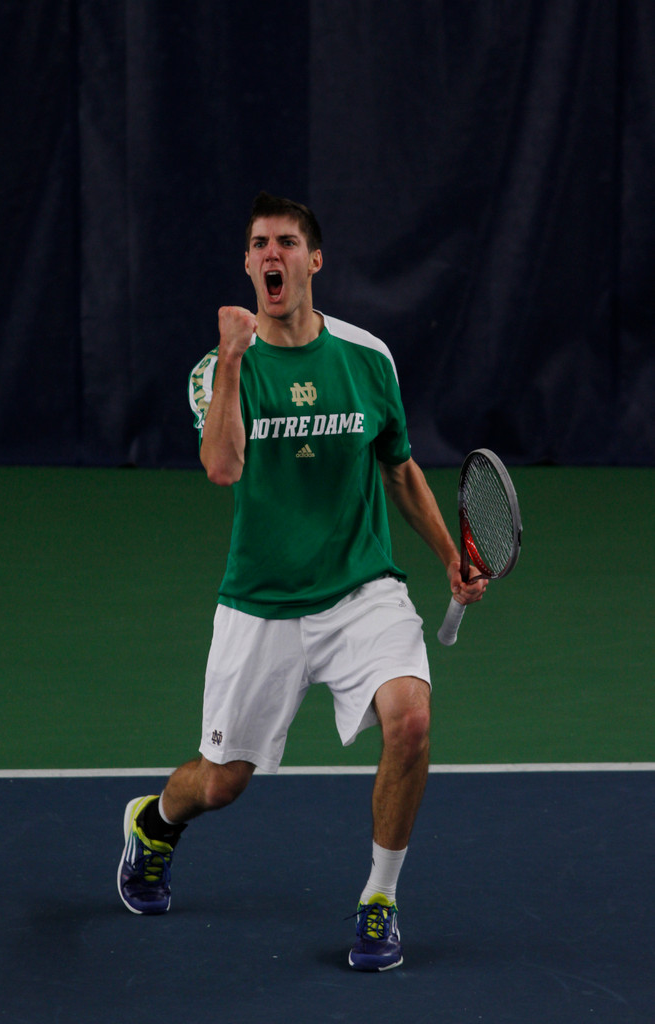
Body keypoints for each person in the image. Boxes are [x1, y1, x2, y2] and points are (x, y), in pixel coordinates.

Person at [117, 191, 487, 971]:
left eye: (286, 241)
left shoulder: (365, 357)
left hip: (363, 591)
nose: (272, 254)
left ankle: (379, 900)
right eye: (259, 244)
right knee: (220, 783)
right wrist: (229, 360)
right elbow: (221, 468)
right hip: (261, 603)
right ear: (248, 265)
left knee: (411, 720)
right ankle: (153, 823)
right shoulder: (218, 369)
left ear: (313, 261)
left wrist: (447, 552)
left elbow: (399, 467)